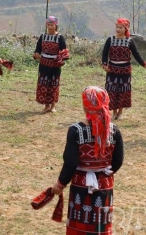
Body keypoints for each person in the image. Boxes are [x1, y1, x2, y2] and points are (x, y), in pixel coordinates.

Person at [50, 86, 124, 235]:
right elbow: (118, 160)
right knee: (100, 226)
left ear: (85, 106)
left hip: (81, 185)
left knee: (80, 227)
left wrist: (60, 184)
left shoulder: (76, 131)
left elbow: (71, 162)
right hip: (104, 185)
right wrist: (106, 173)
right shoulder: (114, 131)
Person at [101, 18, 146, 120]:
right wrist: (105, 64)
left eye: (121, 27)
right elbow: (105, 53)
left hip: (125, 70)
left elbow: (136, 55)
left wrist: (144, 65)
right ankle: (114, 112)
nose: (118, 29)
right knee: (112, 90)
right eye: (117, 27)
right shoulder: (110, 40)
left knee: (123, 91)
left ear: (126, 29)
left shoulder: (129, 41)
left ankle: (120, 112)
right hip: (112, 70)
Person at [33, 16, 68, 113]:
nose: (50, 27)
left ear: (56, 26)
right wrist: (36, 54)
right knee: (44, 83)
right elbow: (38, 49)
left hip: (55, 65)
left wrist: (62, 59)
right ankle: (46, 105)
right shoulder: (43, 37)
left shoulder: (60, 37)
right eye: (48, 25)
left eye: (52, 25)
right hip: (44, 64)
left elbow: (64, 51)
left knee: (53, 84)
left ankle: (53, 105)